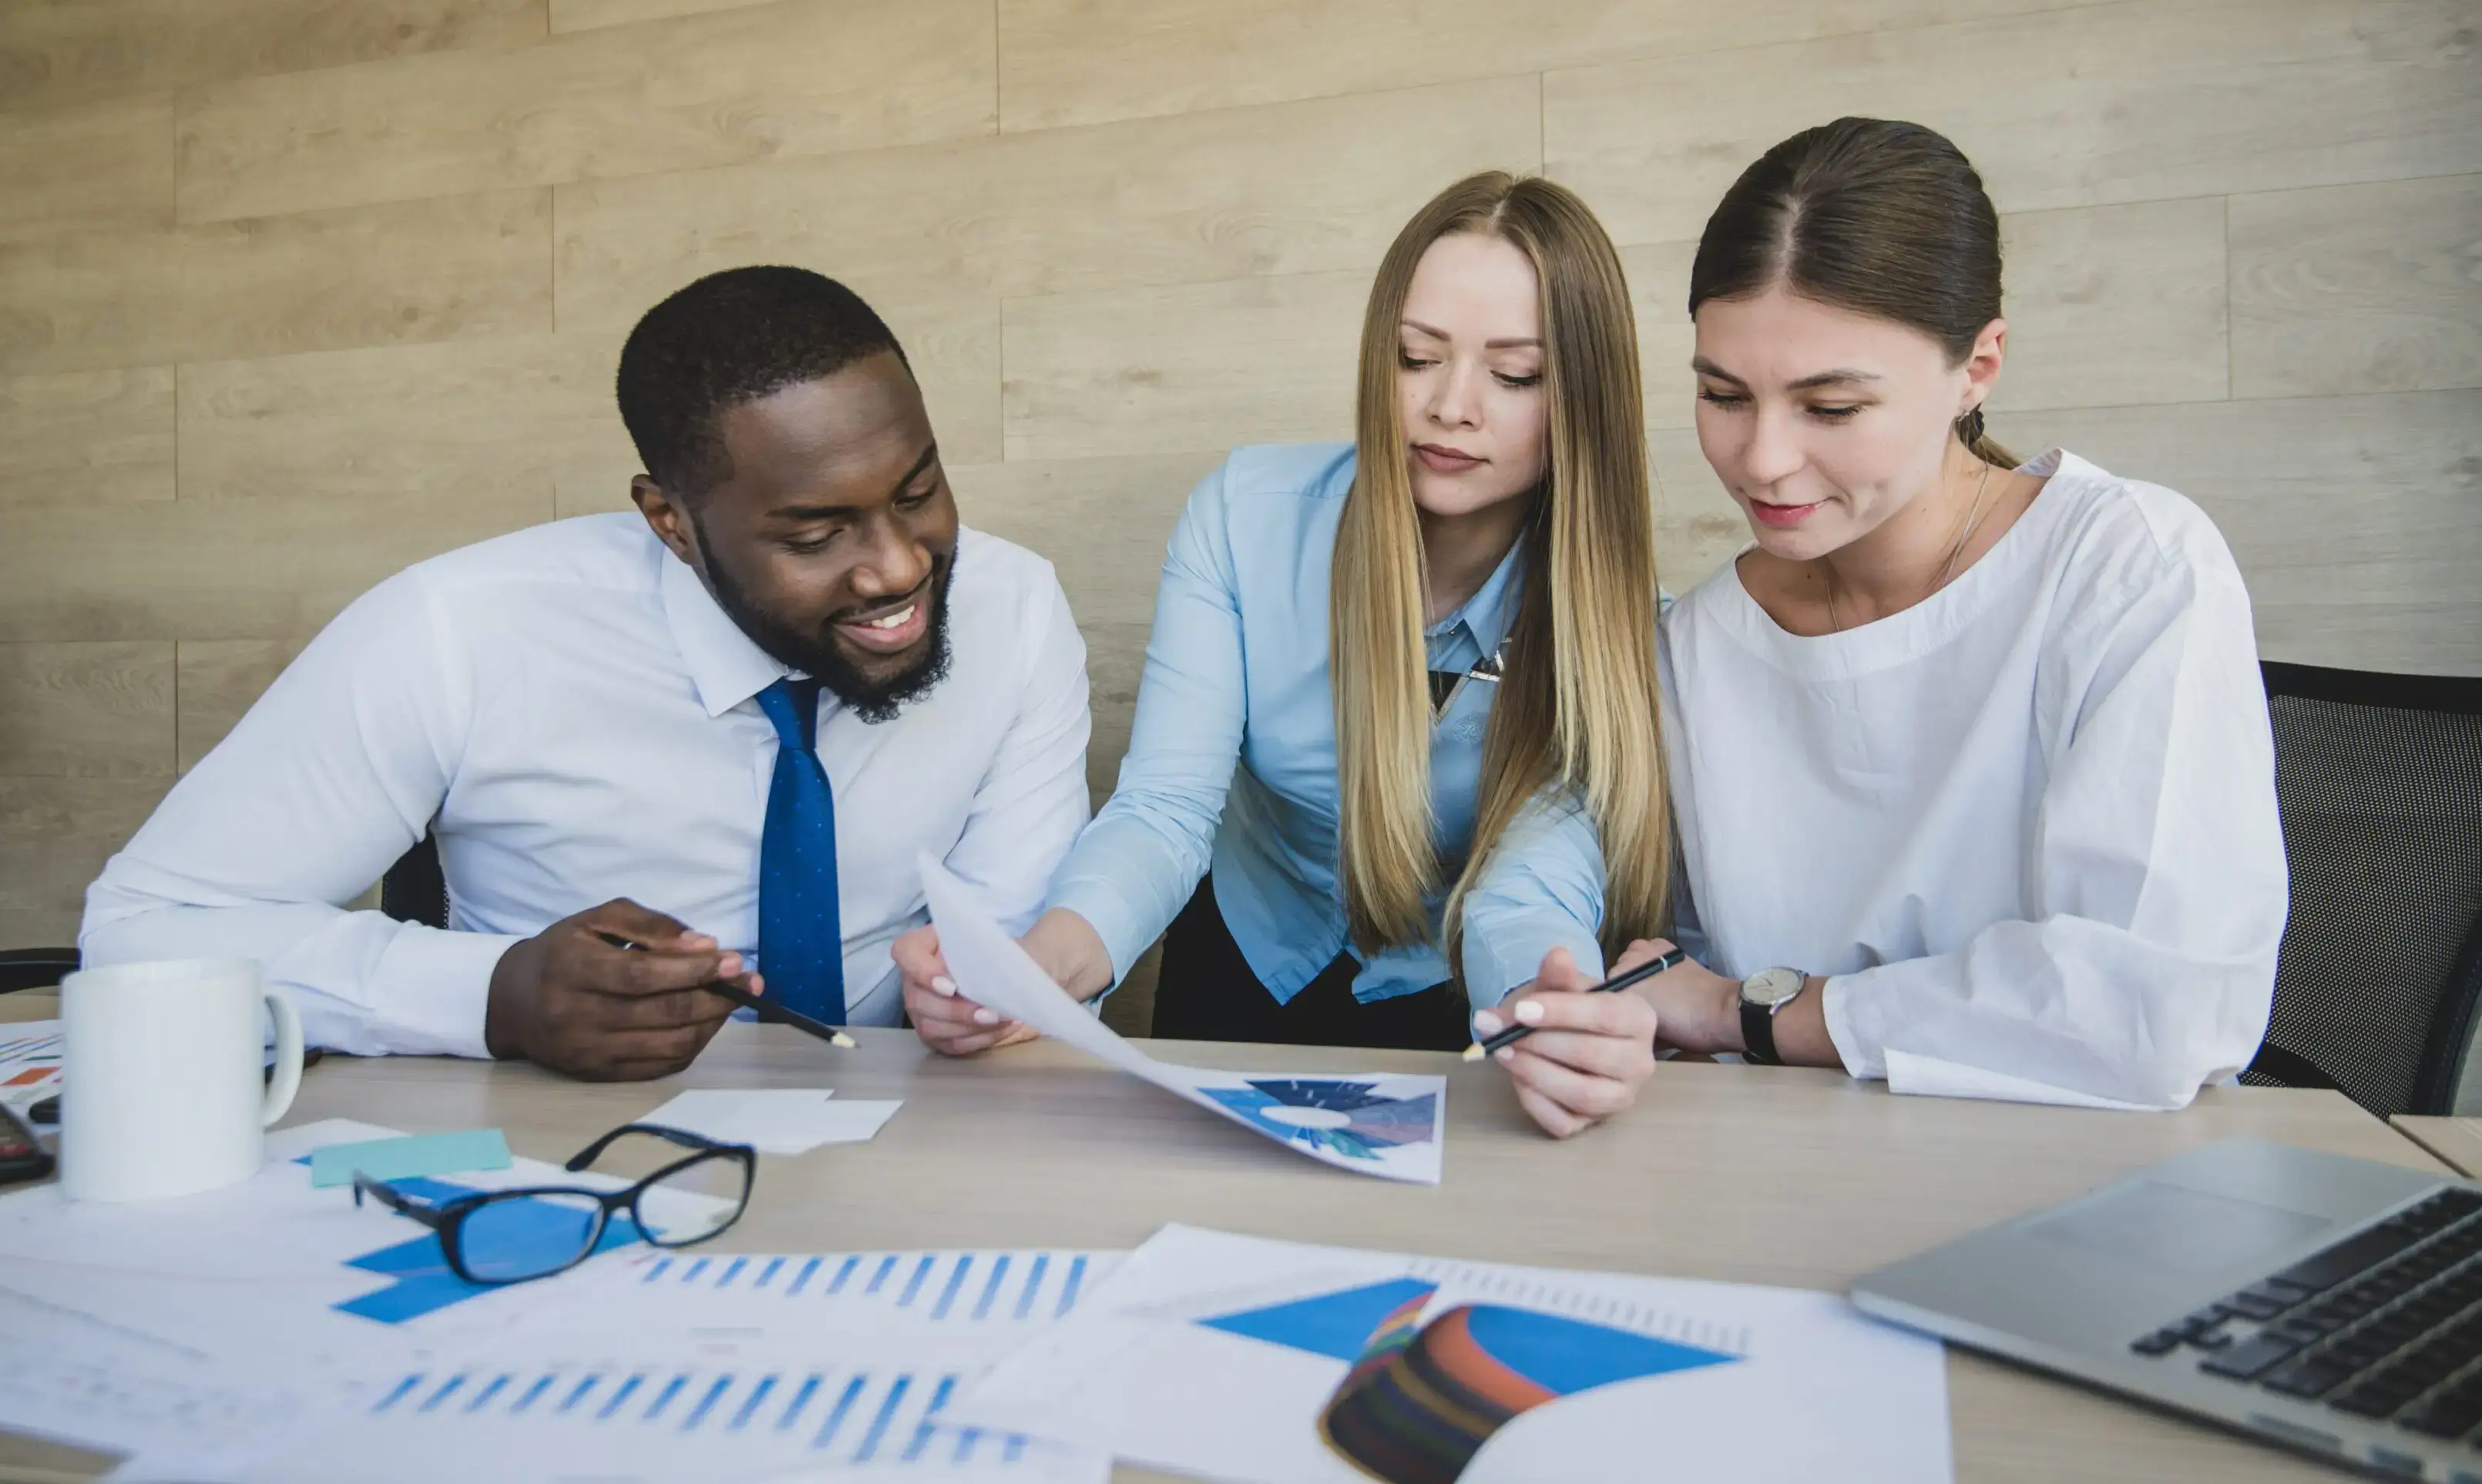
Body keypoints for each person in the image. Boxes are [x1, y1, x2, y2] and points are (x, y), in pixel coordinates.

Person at [81, 266, 1091, 1081]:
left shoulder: (1016, 609)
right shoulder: (459, 631)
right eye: (818, 534)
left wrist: (985, 993)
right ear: (671, 523)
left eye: (918, 492)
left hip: (918, 1139)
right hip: (562, 1153)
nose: (900, 567)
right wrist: (498, 994)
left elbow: (1018, 947)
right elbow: (144, 935)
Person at [895, 172, 1672, 1138]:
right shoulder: (1242, 518)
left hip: (1468, 995)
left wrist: (1546, 1012)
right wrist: (1041, 968)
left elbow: (1532, 881)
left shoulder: (1615, 617)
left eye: (1513, 376)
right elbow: (1165, 808)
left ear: (1583, 397)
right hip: (1250, 961)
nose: (1448, 407)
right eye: (1413, 357)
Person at [1614, 117, 2287, 1110]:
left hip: (2070, 1191)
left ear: (1977, 365)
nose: (1759, 460)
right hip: (1769, 1181)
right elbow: (1675, 983)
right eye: (1722, 394)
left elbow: (2151, 1016)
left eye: (1830, 408)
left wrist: (1750, 1014)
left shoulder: (2125, 567)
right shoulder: (1694, 645)